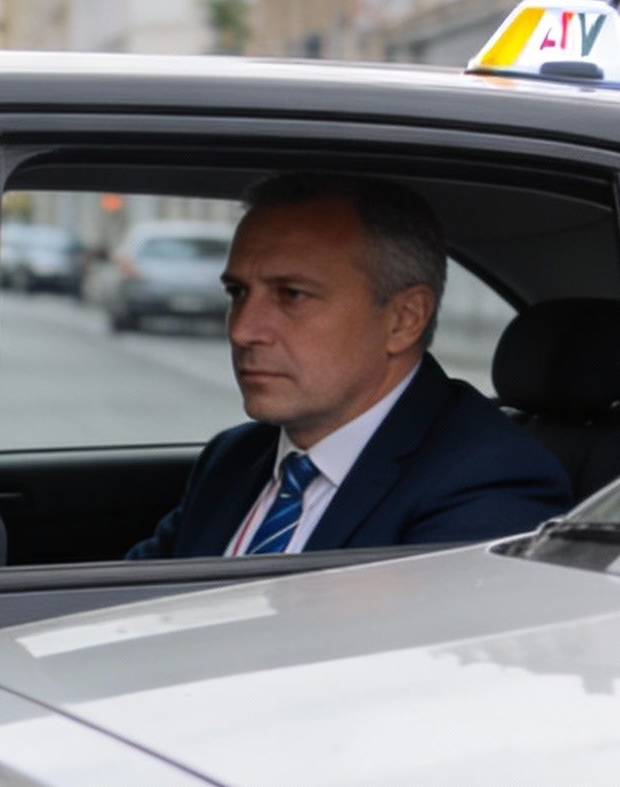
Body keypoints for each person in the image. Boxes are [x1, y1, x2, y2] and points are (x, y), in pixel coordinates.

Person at [128, 174, 571, 559]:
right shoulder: (234, 458)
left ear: (404, 319)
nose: (243, 330)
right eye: (238, 293)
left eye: (292, 294)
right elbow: (133, 608)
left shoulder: (487, 483)